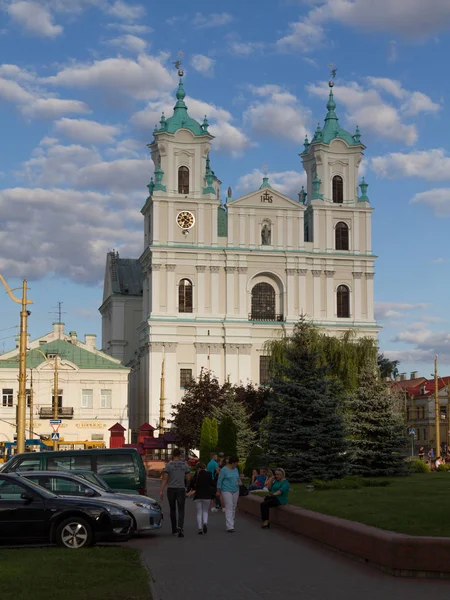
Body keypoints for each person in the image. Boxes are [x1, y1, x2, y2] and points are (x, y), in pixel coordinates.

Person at [160, 448, 191, 538]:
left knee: (172, 509)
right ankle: (180, 527)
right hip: (181, 489)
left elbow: (165, 478)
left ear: (173, 455)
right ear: (180, 455)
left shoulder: (169, 465)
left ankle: (174, 529)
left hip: (171, 489)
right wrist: (187, 487)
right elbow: (188, 477)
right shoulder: (184, 465)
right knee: (181, 509)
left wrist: (161, 490)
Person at [216, 455, 241, 532]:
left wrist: (240, 482)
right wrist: (218, 491)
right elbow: (219, 481)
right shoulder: (224, 470)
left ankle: (231, 523)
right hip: (226, 490)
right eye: (236, 463)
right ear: (232, 462)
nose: (236, 465)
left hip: (236, 490)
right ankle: (229, 526)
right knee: (229, 507)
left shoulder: (236, 469)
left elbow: (238, 478)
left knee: (233, 507)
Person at [188, 463, 214, 535]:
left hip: (198, 496)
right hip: (207, 495)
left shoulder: (196, 475)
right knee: (205, 511)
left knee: (199, 512)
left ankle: (200, 528)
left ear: (198, 468)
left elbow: (192, 484)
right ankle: (205, 523)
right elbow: (212, 483)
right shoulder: (209, 474)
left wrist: (190, 491)